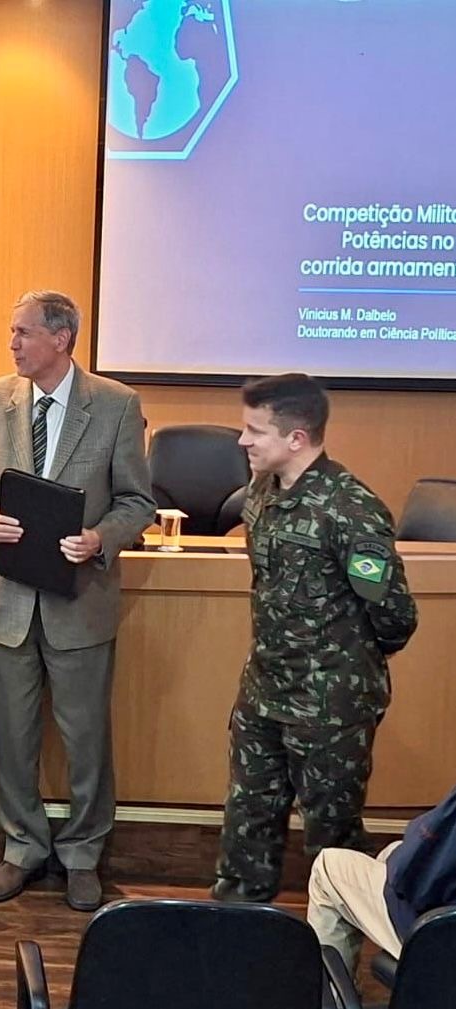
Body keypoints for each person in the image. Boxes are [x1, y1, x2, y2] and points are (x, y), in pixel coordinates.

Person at [0, 290, 154, 912]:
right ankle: (22, 848)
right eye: (11, 331)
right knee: (12, 739)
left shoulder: (116, 405)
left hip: (80, 601)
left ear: (61, 339)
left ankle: (83, 855)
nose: (11, 343)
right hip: (9, 602)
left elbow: (137, 502)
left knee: (86, 738)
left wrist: (101, 538)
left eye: (23, 332)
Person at [212, 373, 418, 903]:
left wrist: (342, 663)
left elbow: (394, 614)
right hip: (263, 691)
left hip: (329, 705)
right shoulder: (261, 491)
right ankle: (235, 932)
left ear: (296, 438)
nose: (243, 441)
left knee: (333, 843)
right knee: (246, 830)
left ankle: (332, 949)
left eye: (256, 431)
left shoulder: (351, 510)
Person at [308, 782, 456, 972]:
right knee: (391, 851)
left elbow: (418, 882)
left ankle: (328, 990)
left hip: (442, 942)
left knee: (327, 867)